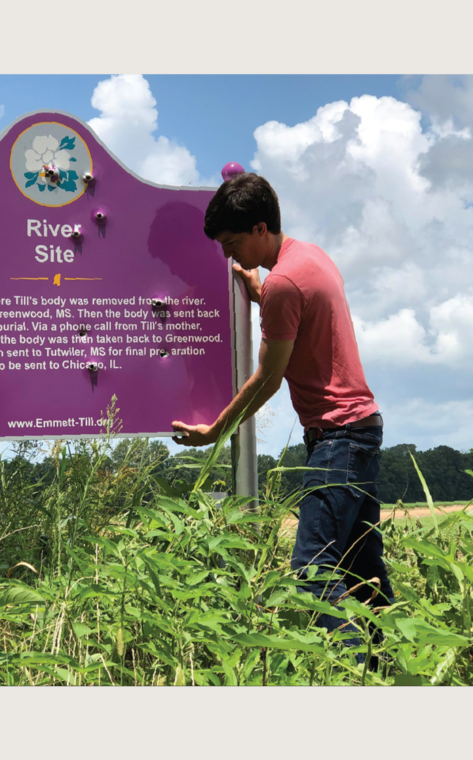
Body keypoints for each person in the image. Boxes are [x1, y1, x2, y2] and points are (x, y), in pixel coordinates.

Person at [171, 172, 394, 657]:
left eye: (233, 243)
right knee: (362, 571)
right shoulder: (309, 258)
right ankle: (393, 668)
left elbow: (268, 378)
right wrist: (260, 294)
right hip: (363, 431)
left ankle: (355, 675)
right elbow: (300, 317)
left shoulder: (284, 284)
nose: (230, 257)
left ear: (259, 229)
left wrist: (215, 431)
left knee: (313, 571)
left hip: (337, 438)